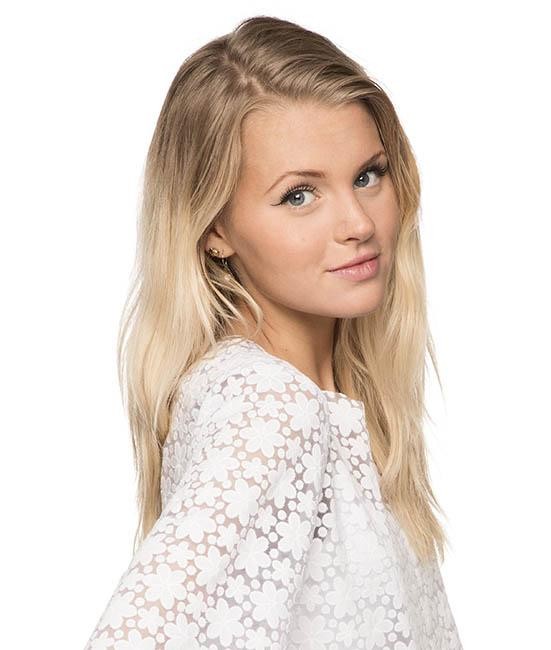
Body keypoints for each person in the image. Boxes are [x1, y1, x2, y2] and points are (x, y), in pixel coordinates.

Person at [84, 15, 463, 650]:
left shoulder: (313, 401)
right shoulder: (270, 406)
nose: (358, 223)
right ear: (214, 228)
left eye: (368, 175)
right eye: (299, 196)